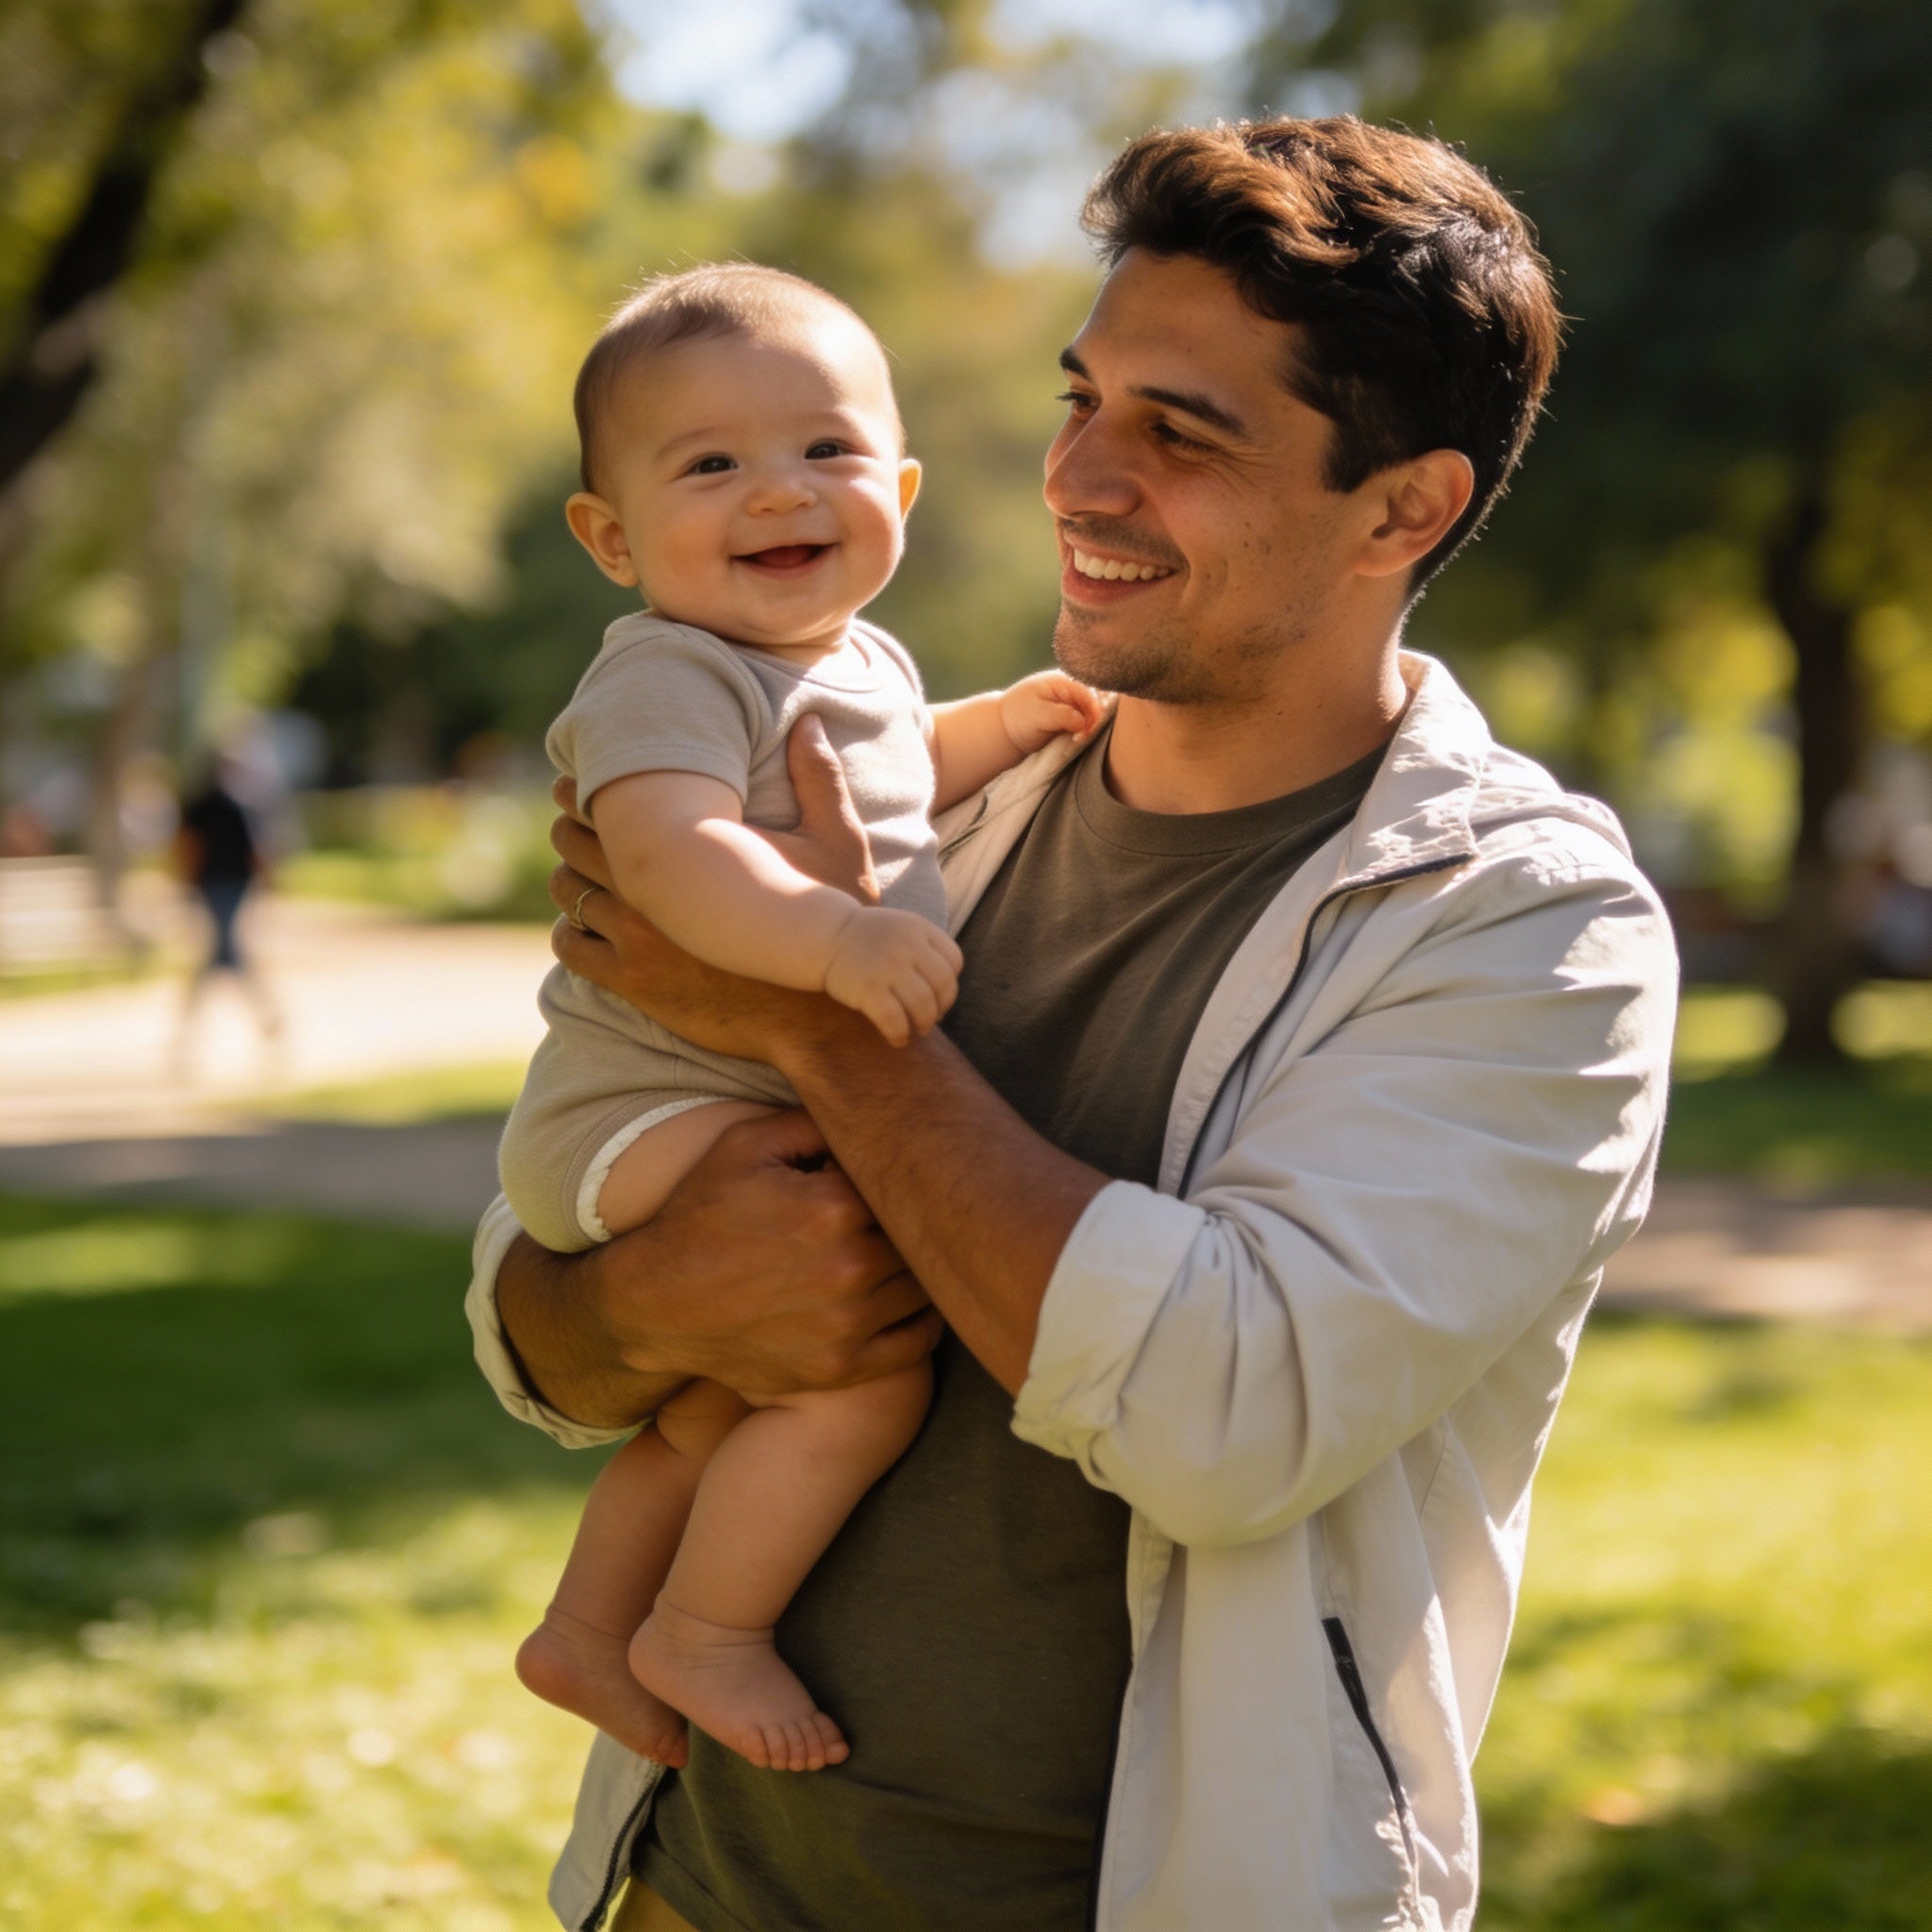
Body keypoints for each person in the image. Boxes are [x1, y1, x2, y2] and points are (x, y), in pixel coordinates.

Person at [467, 116, 1677, 1932]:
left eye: (1179, 434)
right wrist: (630, 1302)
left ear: (1402, 506)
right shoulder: (899, 794)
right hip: (696, 1884)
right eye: (1080, 400)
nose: (1081, 480)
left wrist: (822, 1034)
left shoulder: (1523, 933)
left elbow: (1216, 1417)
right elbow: (546, 1302)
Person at [501, 264, 1105, 1778]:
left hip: (707, 1093)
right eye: (711, 465)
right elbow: (669, 856)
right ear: (611, 535)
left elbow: (893, 776)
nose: (780, 493)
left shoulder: (859, 662)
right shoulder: (669, 668)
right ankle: (705, 1630)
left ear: (899, 485)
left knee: (731, 1382)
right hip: (636, 1106)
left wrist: (1007, 725)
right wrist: (834, 940)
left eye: (828, 452)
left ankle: (584, 1627)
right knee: (861, 1359)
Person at [173, 751, 280, 1064]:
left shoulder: (208, 805)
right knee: (225, 954)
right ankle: (265, 1018)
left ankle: (191, 1030)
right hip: (226, 886)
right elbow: (256, 853)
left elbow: (186, 848)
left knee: (220, 955)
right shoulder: (233, 806)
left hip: (217, 886)